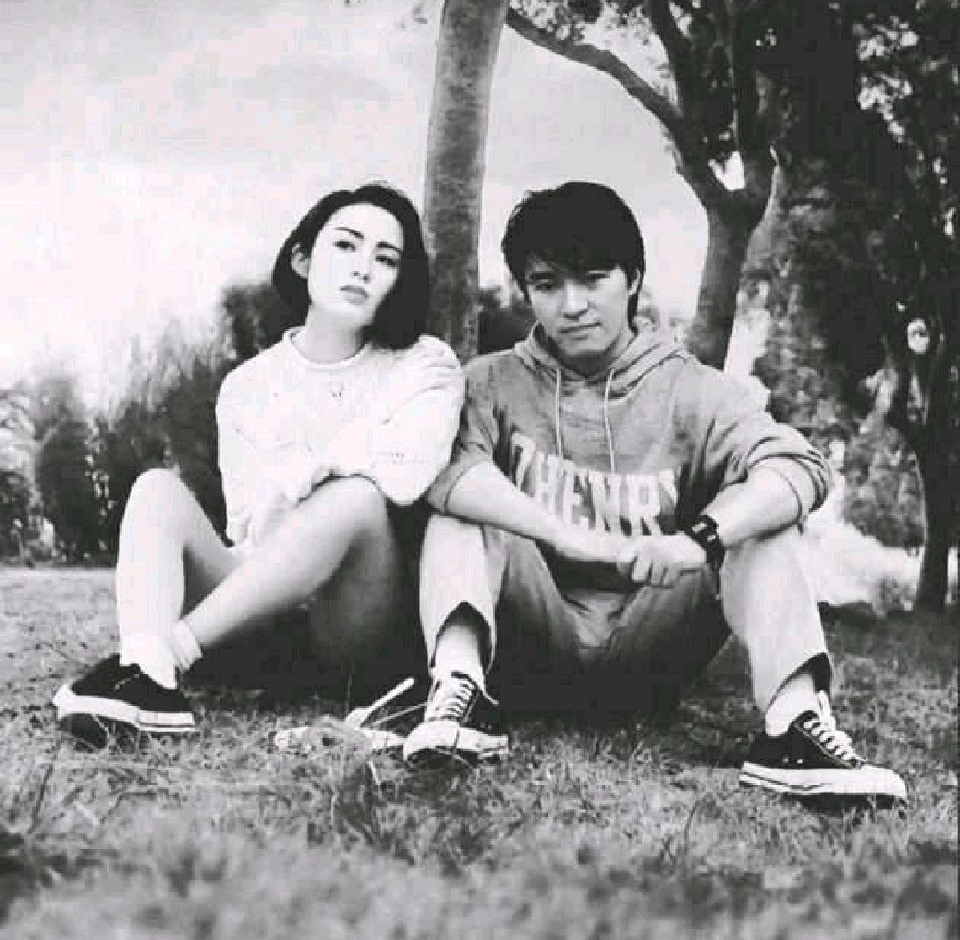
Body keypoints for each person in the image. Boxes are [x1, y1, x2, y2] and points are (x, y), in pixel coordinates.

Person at [403, 181, 906, 801]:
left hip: (651, 648)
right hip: (527, 649)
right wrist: (566, 535)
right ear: (526, 291)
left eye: (594, 279)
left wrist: (697, 541)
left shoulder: (694, 390)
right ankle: (458, 695)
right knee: (466, 510)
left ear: (633, 279)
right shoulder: (491, 381)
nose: (572, 305)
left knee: (760, 523)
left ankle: (795, 728)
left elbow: (800, 466)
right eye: (547, 284)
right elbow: (443, 470)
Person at [53, 183, 463, 740]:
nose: (363, 268)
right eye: (346, 245)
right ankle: (146, 673)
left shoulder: (425, 365)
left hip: (359, 627)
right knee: (155, 488)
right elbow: (249, 526)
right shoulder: (248, 385)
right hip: (261, 622)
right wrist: (328, 476)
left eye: (386, 259)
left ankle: (170, 654)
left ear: (399, 281)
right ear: (302, 259)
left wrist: (310, 478)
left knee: (356, 496)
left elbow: (404, 475)